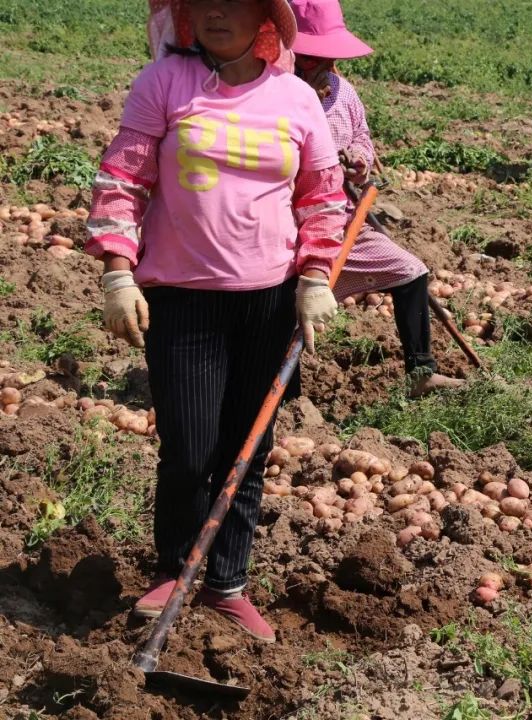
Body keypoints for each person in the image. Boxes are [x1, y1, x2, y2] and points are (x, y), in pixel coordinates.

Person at [87, 0, 348, 642]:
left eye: (232, 1)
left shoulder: (294, 98)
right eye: (201, 1)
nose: (215, 12)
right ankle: (175, 566)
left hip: (269, 298)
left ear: (264, 17)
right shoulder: (164, 83)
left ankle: (227, 582)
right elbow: (123, 178)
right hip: (182, 295)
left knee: (246, 448)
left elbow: (322, 194)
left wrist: (315, 277)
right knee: (190, 448)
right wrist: (118, 271)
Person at [288, 0, 465, 397]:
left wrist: (358, 162)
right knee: (284, 308)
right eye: (309, 54)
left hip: (343, 220)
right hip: (290, 226)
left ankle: (420, 372)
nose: (318, 63)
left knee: (411, 272)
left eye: (324, 55)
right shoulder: (273, 92)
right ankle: (288, 397)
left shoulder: (342, 91)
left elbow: (361, 138)